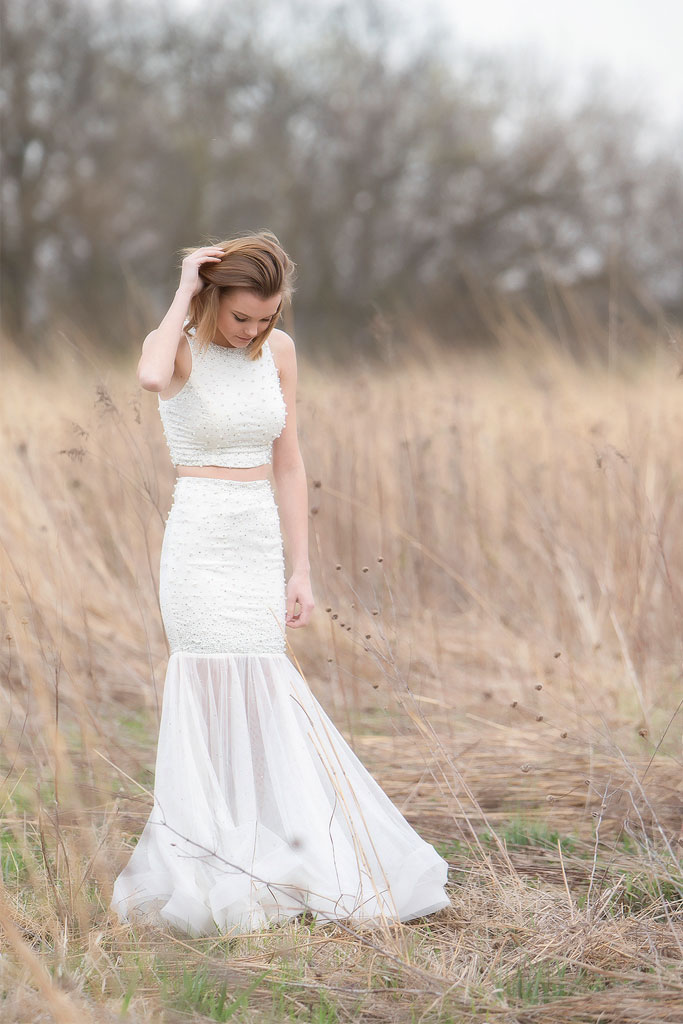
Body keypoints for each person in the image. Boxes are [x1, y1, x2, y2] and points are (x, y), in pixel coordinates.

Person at [110, 229, 451, 937]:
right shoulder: (177, 345)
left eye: (267, 317)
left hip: (257, 536)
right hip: (199, 537)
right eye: (241, 317)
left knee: (264, 684)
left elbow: (288, 461)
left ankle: (281, 846)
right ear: (210, 301)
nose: (255, 330)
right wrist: (182, 287)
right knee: (205, 684)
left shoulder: (281, 353)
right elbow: (147, 378)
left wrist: (300, 567)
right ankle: (206, 855)